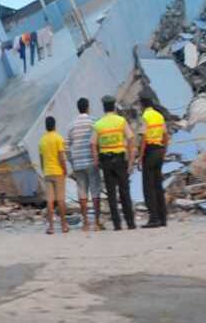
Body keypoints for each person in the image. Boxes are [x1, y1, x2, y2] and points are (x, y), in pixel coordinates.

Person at [92, 95, 137, 231]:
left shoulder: (98, 124)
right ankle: (130, 223)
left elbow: (93, 144)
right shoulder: (121, 121)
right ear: (113, 106)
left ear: (103, 107)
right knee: (124, 192)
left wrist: (96, 161)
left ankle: (117, 224)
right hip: (120, 160)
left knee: (111, 193)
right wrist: (130, 160)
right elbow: (130, 139)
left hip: (106, 161)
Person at [68, 97, 104, 231]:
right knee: (95, 191)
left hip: (78, 163)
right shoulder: (94, 121)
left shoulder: (71, 125)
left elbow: (66, 146)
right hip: (91, 162)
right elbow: (99, 140)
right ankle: (96, 222)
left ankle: (85, 224)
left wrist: (72, 161)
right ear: (88, 107)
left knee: (82, 192)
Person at [139, 90, 170, 228]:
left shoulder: (145, 116)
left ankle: (153, 218)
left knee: (148, 186)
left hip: (150, 151)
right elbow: (165, 136)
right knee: (158, 186)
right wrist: (164, 151)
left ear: (142, 104)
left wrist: (140, 157)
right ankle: (163, 218)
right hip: (159, 150)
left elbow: (144, 138)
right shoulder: (159, 115)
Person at [39, 116, 69, 235]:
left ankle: (51, 227)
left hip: (47, 172)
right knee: (60, 199)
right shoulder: (58, 138)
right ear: (55, 125)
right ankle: (64, 226)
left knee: (50, 201)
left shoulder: (42, 141)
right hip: (58, 172)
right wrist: (65, 169)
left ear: (46, 126)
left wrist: (44, 170)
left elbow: (41, 159)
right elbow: (61, 157)